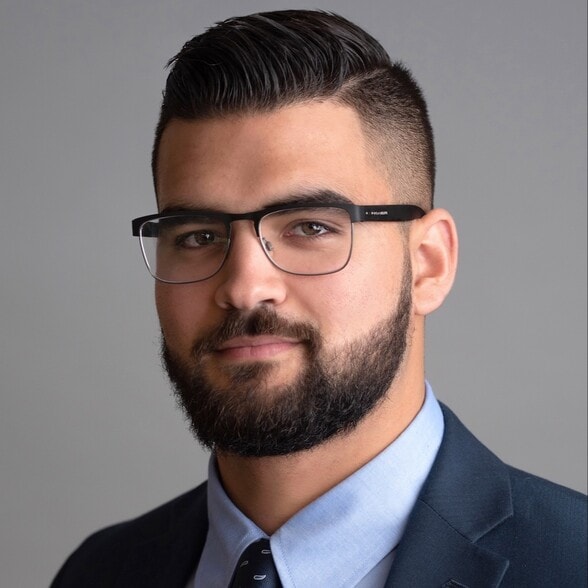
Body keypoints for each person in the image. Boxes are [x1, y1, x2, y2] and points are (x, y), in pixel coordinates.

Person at [51, 9, 586, 587]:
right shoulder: (98, 573)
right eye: (199, 236)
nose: (244, 287)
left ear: (428, 264)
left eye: (310, 227)